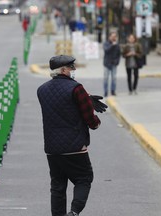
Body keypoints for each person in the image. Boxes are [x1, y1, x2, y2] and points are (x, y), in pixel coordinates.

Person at [37, 55, 107, 216]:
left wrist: (86, 98)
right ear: (63, 70)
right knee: (84, 179)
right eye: (71, 68)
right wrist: (95, 122)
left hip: (52, 148)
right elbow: (89, 117)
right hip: (75, 147)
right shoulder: (76, 89)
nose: (73, 71)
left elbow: (60, 104)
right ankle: (74, 212)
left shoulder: (41, 90)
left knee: (57, 186)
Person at [103, 32, 121, 97]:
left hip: (114, 64)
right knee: (106, 78)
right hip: (107, 64)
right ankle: (105, 92)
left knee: (114, 78)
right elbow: (106, 50)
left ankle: (113, 91)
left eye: (115, 37)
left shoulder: (117, 44)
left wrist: (117, 62)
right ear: (109, 37)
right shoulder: (106, 43)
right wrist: (112, 45)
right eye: (112, 36)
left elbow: (119, 54)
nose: (114, 38)